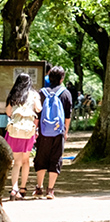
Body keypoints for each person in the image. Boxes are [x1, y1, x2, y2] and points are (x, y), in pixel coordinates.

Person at [33, 66, 72, 200]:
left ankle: (39, 187)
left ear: (49, 78)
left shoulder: (41, 93)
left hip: (43, 131)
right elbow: (68, 116)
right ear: (62, 79)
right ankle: (50, 190)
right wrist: (65, 131)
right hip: (58, 131)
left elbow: (37, 114)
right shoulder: (65, 93)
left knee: (41, 157)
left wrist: (35, 130)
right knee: (56, 158)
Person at [4, 73, 42, 201]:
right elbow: (39, 109)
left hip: (15, 131)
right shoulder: (33, 94)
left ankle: (14, 189)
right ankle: (22, 188)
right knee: (26, 161)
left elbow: (8, 112)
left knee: (17, 162)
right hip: (28, 131)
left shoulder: (13, 95)